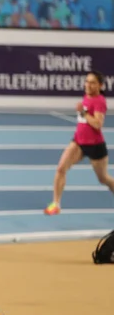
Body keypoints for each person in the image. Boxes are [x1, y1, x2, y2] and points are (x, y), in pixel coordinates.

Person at [45, 70, 114, 215]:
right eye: (87, 81)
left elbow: (97, 124)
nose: (88, 85)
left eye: (92, 82)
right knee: (61, 169)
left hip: (95, 146)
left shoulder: (99, 101)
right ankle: (56, 204)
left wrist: (83, 112)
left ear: (100, 85)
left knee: (103, 178)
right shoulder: (86, 97)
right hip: (78, 142)